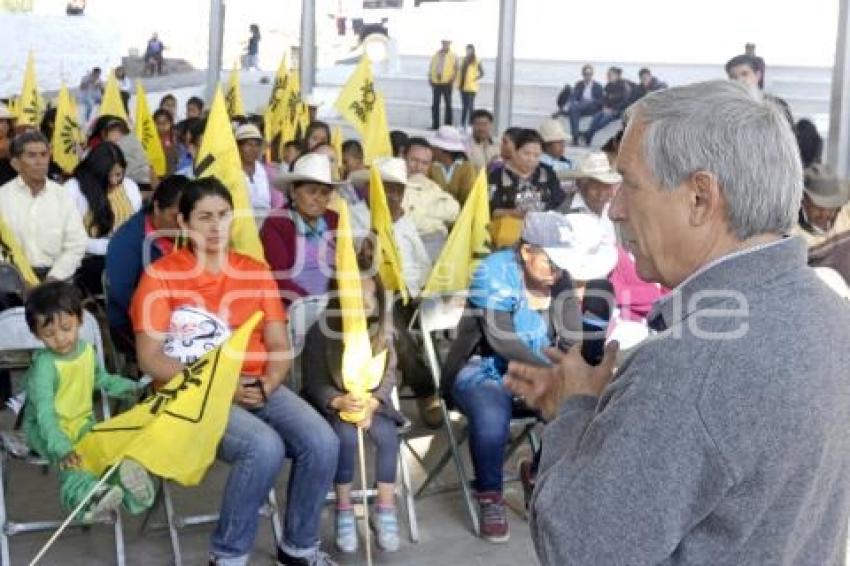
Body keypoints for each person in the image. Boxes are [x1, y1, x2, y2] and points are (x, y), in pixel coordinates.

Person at [504, 79, 850, 565]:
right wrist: (617, 415)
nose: (617, 208)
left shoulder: (692, 364)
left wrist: (575, 409)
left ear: (700, 198)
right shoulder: (827, 308)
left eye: (631, 184)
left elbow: (578, 549)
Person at [131, 177, 338, 565]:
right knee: (263, 447)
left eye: (223, 215)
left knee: (323, 441)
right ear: (185, 223)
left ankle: (298, 548)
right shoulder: (160, 276)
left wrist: (268, 382)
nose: (215, 226)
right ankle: (228, 555)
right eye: (204, 217)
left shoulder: (254, 271)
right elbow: (151, 359)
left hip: (256, 384)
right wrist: (224, 386)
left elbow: (279, 345)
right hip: (190, 392)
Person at [441, 211, 587, 543]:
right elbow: (501, 339)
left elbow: (572, 332)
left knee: (579, 406)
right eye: (551, 260)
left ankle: (536, 470)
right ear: (526, 251)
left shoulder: (559, 278)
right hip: (483, 366)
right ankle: (490, 495)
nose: (557, 270)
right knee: (493, 412)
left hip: (540, 366)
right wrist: (551, 374)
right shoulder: (494, 272)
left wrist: (570, 374)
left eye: (562, 263)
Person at [23, 280, 154, 521]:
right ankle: (89, 496)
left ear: (80, 320)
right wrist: (61, 448)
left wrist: (132, 388)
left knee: (105, 452)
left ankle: (128, 486)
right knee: (73, 465)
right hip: (47, 430)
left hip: (82, 422)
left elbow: (101, 379)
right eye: (49, 334)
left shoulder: (86, 351)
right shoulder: (44, 366)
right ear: (36, 334)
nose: (61, 339)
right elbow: (44, 413)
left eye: (66, 327)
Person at [302, 268, 405, 554]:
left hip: (374, 406)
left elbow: (389, 376)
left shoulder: (383, 332)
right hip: (336, 408)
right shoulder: (321, 333)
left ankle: (384, 508)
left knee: (387, 438)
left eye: (368, 295)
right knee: (345, 438)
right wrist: (337, 401)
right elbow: (314, 381)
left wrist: (374, 402)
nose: (360, 302)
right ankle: (344, 508)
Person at [106, 174, 188, 357]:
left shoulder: (192, 233)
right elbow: (123, 296)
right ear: (157, 207)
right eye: (176, 217)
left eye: (189, 216)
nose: (184, 224)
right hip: (138, 325)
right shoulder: (127, 241)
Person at [0, 131, 87, 281]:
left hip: (57, 280)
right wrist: (20, 280)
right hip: (11, 281)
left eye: (43, 154)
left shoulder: (62, 196)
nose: (40, 161)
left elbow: (76, 244)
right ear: (16, 164)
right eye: (32, 155)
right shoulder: (3, 197)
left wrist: (54, 277)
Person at [65, 141, 143, 295]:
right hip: (89, 259)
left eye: (119, 174)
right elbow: (71, 238)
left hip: (127, 253)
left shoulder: (130, 187)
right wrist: (110, 247)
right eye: (109, 176)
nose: (114, 181)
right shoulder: (73, 189)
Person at [262, 153, 340, 305]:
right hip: (293, 308)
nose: (317, 198)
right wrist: (312, 304)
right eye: (311, 191)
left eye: (324, 193)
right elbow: (280, 279)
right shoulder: (277, 223)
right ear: (293, 192)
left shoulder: (334, 220)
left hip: (333, 308)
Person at [488, 129, 564, 248]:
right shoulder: (497, 176)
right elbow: (491, 211)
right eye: (526, 153)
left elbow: (559, 203)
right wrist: (514, 213)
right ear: (515, 151)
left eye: (536, 155)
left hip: (544, 236)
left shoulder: (547, 173)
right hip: (509, 236)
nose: (531, 159)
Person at [399, 137, 460, 260]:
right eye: (414, 160)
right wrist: (431, 216)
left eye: (424, 163)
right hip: (403, 247)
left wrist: (418, 210)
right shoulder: (393, 184)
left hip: (434, 247)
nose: (418, 167)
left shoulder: (432, 187)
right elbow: (406, 220)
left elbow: (453, 211)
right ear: (403, 157)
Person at [560, 151, 620, 242]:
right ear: (580, 184)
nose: (602, 193)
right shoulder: (564, 213)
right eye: (595, 187)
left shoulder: (616, 211)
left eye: (606, 186)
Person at [792, 164, 850, 248]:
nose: (825, 214)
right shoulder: (793, 236)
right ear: (804, 202)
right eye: (819, 208)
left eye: (831, 208)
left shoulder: (845, 215)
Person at [726, 53, 793, 124]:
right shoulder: (727, 108)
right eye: (733, 77)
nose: (739, 80)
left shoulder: (777, 105)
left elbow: (788, 134)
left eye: (744, 74)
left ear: (757, 75)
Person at [235, 123, 273, 227]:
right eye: (248, 144)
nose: (253, 149)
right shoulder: (231, 172)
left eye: (257, 145)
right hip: (240, 227)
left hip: (266, 226)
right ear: (238, 147)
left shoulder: (267, 172)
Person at [427, 126, 478, 205]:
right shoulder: (429, 166)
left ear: (441, 150)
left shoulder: (467, 168)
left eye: (435, 146)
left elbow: (469, 196)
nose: (432, 148)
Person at [584, 67, 631, 146]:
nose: (608, 76)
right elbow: (604, 99)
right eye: (608, 74)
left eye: (610, 74)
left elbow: (625, 102)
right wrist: (605, 107)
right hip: (607, 109)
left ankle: (588, 134)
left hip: (618, 111)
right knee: (596, 117)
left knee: (603, 121)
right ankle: (588, 136)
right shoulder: (608, 86)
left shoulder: (624, 86)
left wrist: (613, 109)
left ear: (617, 75)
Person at [567, 64, 604, 146]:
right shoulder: (579, 84)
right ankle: (575, 138)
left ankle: (575, 137)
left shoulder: (598, 86)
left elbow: (601, 101)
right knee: (573, 109)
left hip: (592, 108)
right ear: (583, 74)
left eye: (589, 74)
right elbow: (573, 97)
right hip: (580, 107)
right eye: (586, 74)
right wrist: (574, 102)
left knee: (576, 107)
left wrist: (591, 101)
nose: (588, 76)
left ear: (592, 74)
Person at [429, 39, 457, 130]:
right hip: (436, 83)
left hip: (447, 83)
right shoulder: (436, 55)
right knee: (435, 104)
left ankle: (448, 125)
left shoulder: (453, 56)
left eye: (447, 43)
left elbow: (456, 69)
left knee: (448, 104)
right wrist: (430, 78)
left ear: (449, 44)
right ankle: (435, 125)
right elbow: (431, 67)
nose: (445, 45)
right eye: (444, 43)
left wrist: (452, 79)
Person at [459, 44, 484, 130]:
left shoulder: (477, 60)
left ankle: (470, 125)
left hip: (471, 87)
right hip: (462, 86)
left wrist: (474, 78)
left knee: (470, 107)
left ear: (473, 50)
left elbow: (482, 73)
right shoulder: (464, 59)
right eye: (467, 50)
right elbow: (461, 72)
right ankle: (462, 125)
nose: (468, 51)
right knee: (464, 106)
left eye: (470, 50)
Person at [153, 108, 180, 174]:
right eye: (158, 123)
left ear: (170, 123)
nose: (161, 126)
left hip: (171, 177)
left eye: (164, 123)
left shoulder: (176, 138)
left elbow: (178, 160)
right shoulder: (149, 140)